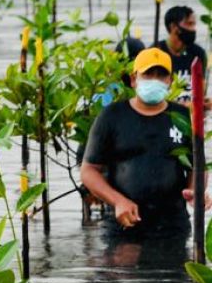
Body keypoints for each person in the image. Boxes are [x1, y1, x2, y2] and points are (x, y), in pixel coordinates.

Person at [81, 47, 202, 238]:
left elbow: (198, 165)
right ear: (133, 79)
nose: (154, 80)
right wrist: (118, 201)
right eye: (148, 74)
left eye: (161, 75)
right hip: (124, 223)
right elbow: (88, 170)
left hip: (173, 225)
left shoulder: (183, 117)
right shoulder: (111, 116)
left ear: (170, 81)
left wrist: (195, 191)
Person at [153, 5, 208, 104]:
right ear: (174, 27)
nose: (193, 29)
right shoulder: (156, 52)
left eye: (194, 24)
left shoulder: (198, 54)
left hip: (190, 110)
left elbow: (201, 91)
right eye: (189, 24)